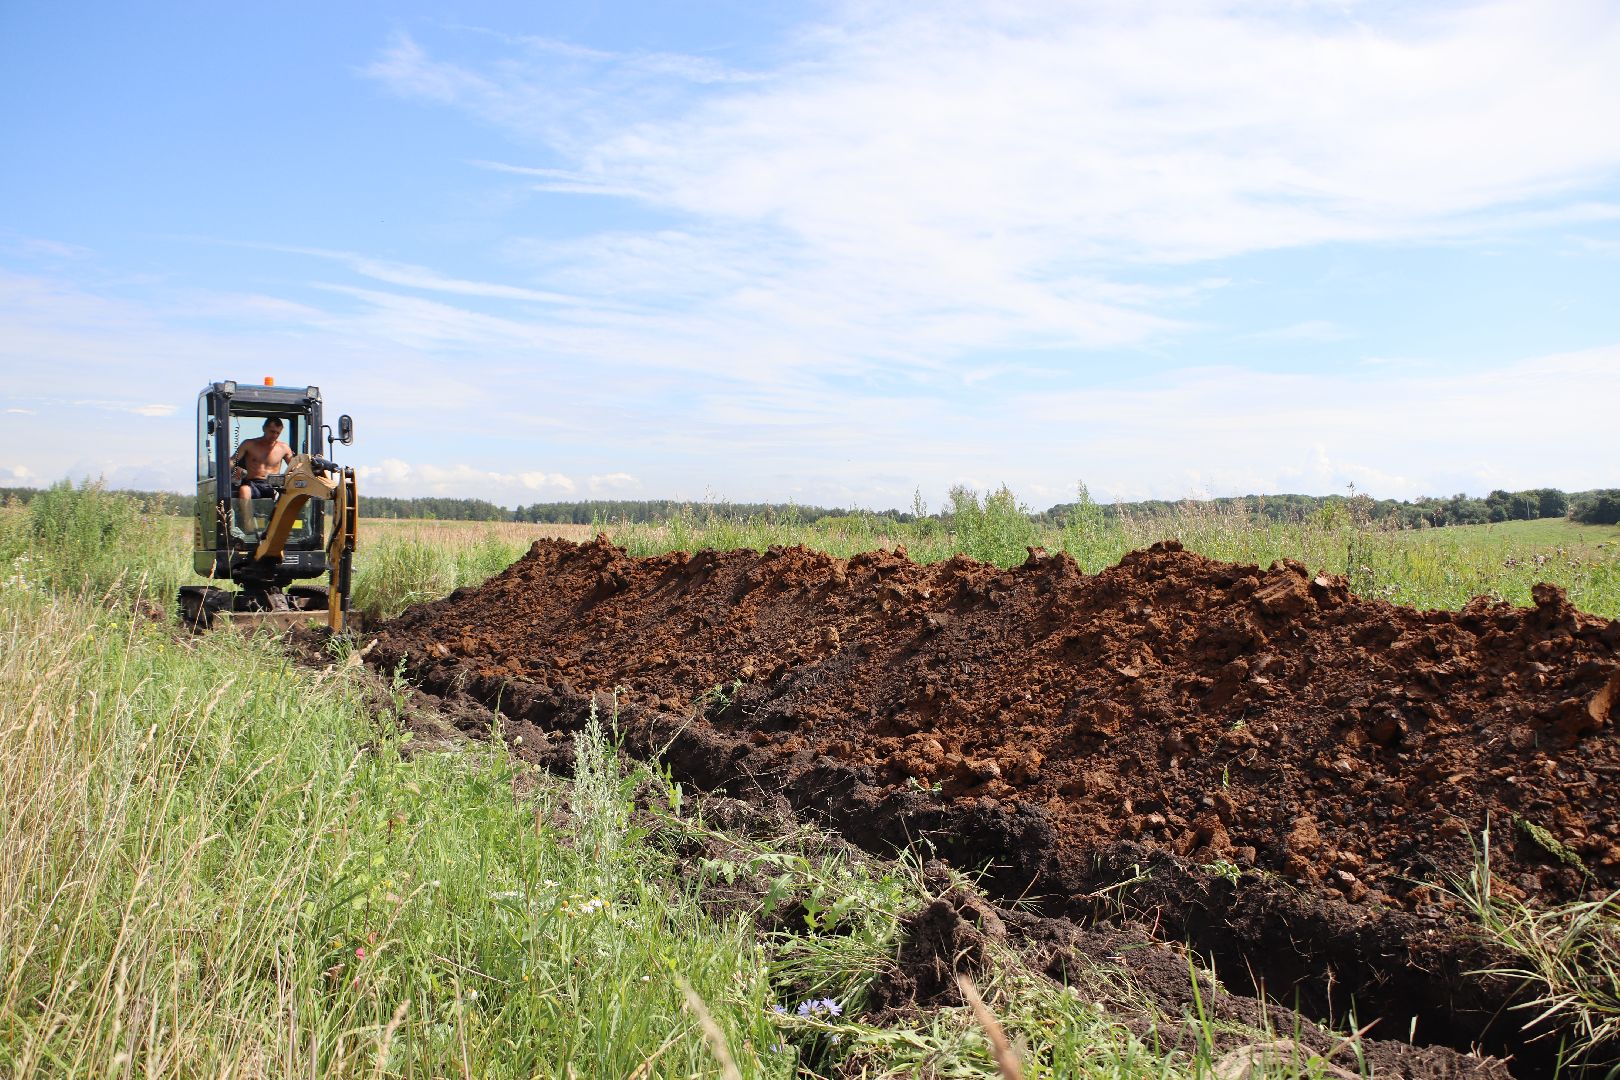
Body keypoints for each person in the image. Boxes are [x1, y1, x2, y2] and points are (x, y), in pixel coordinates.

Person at [231, 418, 293, 534]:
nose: (274, 435)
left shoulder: (284, 448)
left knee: (288, 494)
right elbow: (232, 461)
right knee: (244, 490)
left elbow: (295, 467)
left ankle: (278, 530)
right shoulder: (249, 444)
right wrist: (235, 469)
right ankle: (249, 529)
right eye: (271, 431)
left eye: (277, 433)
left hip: (273, 485)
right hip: (253, 483)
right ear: (264, 429)